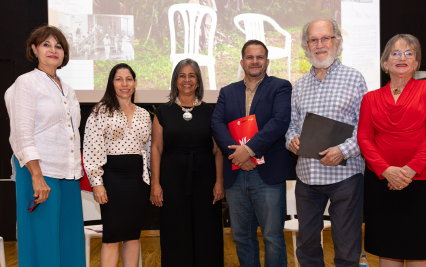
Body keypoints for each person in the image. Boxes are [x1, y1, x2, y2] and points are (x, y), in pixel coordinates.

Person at [358, 34, 426, 267]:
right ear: (385, 62)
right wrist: (386, 170)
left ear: (416, 63)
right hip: (382, 183)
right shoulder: (370, 98)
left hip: (424, 181)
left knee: (420, 253)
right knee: (388, 251)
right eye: (395, 53)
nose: (402, 57)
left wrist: (409, 170)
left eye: (409, 53)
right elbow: (364, 138)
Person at [286, 19, 367, 267]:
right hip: (307, 179)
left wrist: (343, 151)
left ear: (337, 42)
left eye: (326, 38)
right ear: (306, 45)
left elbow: (366, 128)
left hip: (345, 178)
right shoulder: (299, 85)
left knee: (346, 247)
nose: (320, 45)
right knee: (307, 248)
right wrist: (292, 140)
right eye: (314, 40)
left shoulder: (354, 79)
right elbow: (291, 125)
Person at [4, 25, 85, 267]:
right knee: (43, 242)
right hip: (39, 173)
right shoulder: (26, 83)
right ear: (34, 49)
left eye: (58, 46)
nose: (53, 50)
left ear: (64, 54)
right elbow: (21, 133)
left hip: (68, 174)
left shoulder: (69, 90)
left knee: (70, 240)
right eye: (46, 44)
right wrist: (37, 177)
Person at [211, 40, 292, 267]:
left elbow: (279, 122)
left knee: (273, 237)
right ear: (242, 62)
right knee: (241, 237)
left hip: (268, 174)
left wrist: (248, 151)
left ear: (267, 61)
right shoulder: (227, 92)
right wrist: (237, 156)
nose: (254, 61)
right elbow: (217, 124)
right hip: (235, 175)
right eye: (250, 57)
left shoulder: (281, 86)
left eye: (259, 57)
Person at [150, 58, 224, 267]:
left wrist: (219, 182)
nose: (187, 80)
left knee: (206, 231)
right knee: (176, 230)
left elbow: (218, 150)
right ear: (175, 81)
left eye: (192, 75)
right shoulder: (163, 112)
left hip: (205, 179)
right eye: (182, 75)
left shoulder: (211, 111)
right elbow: (156, 148)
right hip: (172, 181)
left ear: (198, 81)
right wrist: (155, 183)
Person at [83, 63, 151, 267]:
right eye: (119, 79)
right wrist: (97, 183)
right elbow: (91, 149)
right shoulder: (99, 111)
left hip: (138, 181)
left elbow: (147, 151)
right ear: (111, 83)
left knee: (133, 235)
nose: (124, 83)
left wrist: (149, 179)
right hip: (111, 180)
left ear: (135, 83)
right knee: (112, 236)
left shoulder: (144, 114)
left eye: (129, 79)